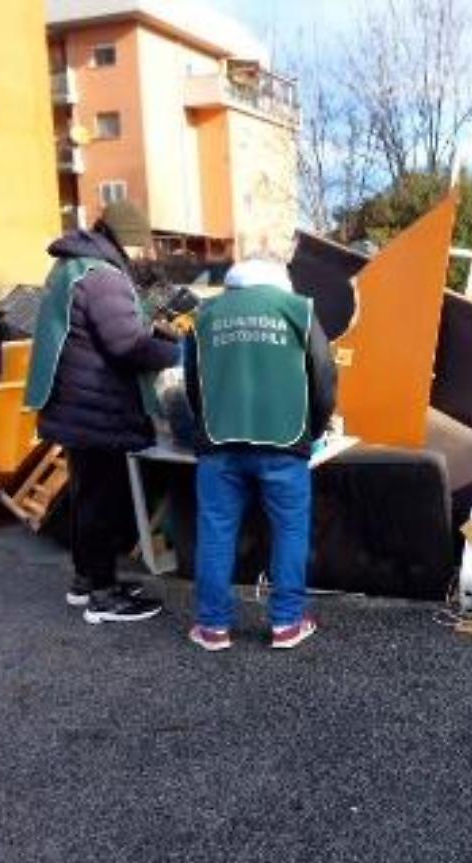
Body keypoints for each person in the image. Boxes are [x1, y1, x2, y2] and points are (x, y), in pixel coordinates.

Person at [25, 201, 180, 624]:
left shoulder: (73, 267)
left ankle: (85, 581)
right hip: (97, 404)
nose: (139, 254)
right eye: (137, 245)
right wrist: (178, 352)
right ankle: (104, 596)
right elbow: (127, 346)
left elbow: (105, 331)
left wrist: (148, 327)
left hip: (74, 402)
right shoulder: (103, 277)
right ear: (122, 240)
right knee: (102, 501)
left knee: (85, 495)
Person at [184, 259, 337, 651]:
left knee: (216, 532)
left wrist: (205, 423)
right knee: (289, 530)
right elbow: (322, 375)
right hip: (284, 441)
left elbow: (191, 380)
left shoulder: (204, 315)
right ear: (279, 284)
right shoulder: (299, 309)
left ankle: (213, 627)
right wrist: (313, 431)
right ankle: (286, 623)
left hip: (219, 442)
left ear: (233, 285)